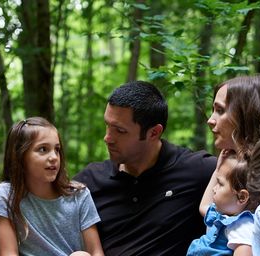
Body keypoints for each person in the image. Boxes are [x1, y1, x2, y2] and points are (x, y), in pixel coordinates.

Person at [73, 81, 217, 255]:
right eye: (107, 125)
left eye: (120, 130)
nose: (107, 138)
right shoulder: (88, 182)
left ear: (154, 133)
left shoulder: (199, 171)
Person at [0, 117, 104, 256]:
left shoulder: (79, 195)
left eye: (57, 149)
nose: (54, 157)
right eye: (43, 149)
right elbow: (8, 253)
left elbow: (96, 251)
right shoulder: (7, 195)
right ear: (20, 156)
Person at [188, 151, 260, 256]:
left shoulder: (242, 226)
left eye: (220, 184)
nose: (214, 188)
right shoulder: (222, 216)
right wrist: (217, 170)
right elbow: (203, 207)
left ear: (241, 197)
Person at [207, 74, 260, 159]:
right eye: (214, 110)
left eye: (220, 110)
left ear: (247, 116)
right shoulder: (220, 166)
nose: (210, 121)